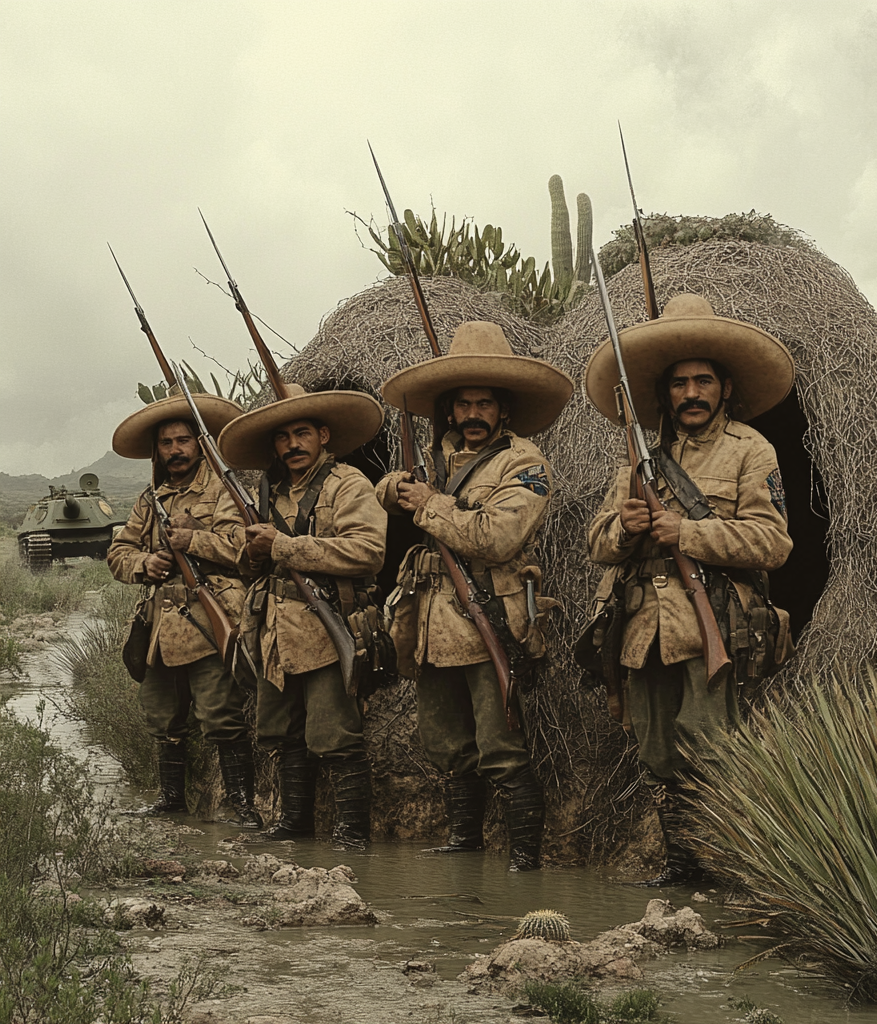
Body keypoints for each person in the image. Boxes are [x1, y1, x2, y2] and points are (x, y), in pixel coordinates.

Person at [585, 293, 795, 885]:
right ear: (665, 393)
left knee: (710, 748)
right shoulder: (641, 460)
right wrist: (624, 530)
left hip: (713, 621)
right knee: (657, 753)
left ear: (725, 388)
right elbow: (596, 541)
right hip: (645, 628)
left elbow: (772, 543)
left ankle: (725, 871)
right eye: (680, 384)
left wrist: (689, 531)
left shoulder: (752, 451)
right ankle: (682, 869)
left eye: (704, 381)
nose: (692, 394)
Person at [375, 320, 573, 871]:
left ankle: (524, 862)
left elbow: (495, 538)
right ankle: (465, 841)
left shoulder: (525, 465)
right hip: (433, 623)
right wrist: (398, 489)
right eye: (462, 404)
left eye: (485, 402)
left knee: (502, 749)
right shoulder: (435, 460)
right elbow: (387, 491)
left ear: (503, 409)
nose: (473, 414)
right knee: (446, 745)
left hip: (490, 619)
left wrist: (428, 504)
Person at [217, 386, 387, 849]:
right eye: (284, 436)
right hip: (274, 631)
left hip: (327, 627)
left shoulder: (348, 484)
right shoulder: (267, 491)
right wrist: (252, 551)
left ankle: (352, 836)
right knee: (283, 733)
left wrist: (284, 545)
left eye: (302, 433)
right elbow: (249, 563)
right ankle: (295, 824)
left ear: (323, 435)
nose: (292, 444)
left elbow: (368, 551)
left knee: (335, 736)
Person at [108, 392, 261, 827]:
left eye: (183, 440)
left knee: (220, 716)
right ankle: (171, 800)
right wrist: (146, 563)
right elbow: (119, 552)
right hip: (160, 625)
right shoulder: (149, 498)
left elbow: (246, 552)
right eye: (166, 443)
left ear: (199, 443)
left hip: (211, 619)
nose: (175, 450)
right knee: (161, 716)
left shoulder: (226, 491)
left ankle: (241, 805)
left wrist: (195, 539)